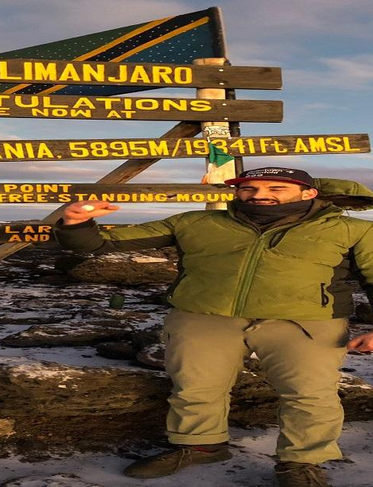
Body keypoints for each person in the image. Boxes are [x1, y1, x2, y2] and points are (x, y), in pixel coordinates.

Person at [54, 167, 373, 487]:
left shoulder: (352, 230)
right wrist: (78, 222)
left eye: (276, 188)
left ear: (309, 193)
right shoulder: (194, 222)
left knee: (310, 395)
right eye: (248, 189)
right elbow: (100, 244)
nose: (259, 195)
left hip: (305, 323)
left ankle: (302, 462)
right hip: (203, 317)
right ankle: (201, 445)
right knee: (194, 387)